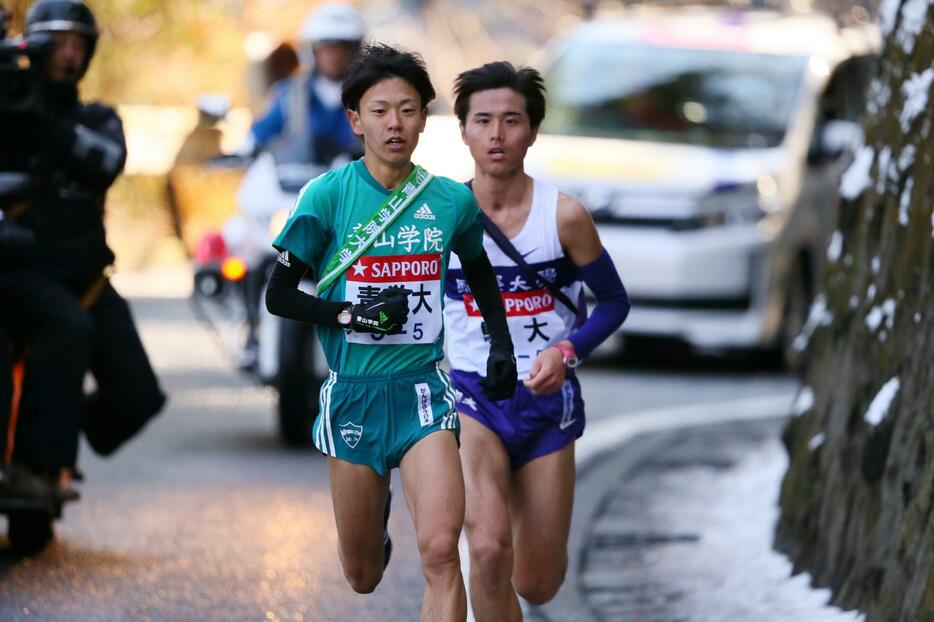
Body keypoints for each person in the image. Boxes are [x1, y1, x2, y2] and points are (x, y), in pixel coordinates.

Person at [265, 44, 516, 621]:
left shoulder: (451, 200)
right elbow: (280, 296)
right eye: (379, 111)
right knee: (361, 576)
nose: (394, 124)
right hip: (352, 393)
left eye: (407, 109)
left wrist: (500, 345)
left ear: (425, 118)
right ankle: (372, 529)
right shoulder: (326, 197)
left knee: (441, 555)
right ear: (355, 120)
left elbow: (479, 273)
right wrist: (348, 316)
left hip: (423, 392)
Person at [443, 62, 631, 620]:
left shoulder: (565, 216)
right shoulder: (439, 215)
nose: (496, 135)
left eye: (511, 120)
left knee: (539, 581)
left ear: (532, 130)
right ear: (463, 131)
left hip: (547, 403)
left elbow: (614, 302)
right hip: (473, 397)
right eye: (483, 121)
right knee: (488, 549)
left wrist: (566, 350)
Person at [0, 0, 165, 477]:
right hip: (27, 275)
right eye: (58, 45)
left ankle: (54, 425)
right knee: (65, 328)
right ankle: (36, 469)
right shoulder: (7, 115)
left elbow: (107, 162)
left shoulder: (95, 118)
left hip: (89, 279)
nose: (68, 56)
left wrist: (49, 123)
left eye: (78, 45)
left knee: (138, 396)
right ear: (34, 48)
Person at [238, 2, 365, 164]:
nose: (335, 56)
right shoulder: (290, 93)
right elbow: (262, 131)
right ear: (312, 50)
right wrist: (243, 149)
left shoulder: (368, 94)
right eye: (327, 47)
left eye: (343, 48)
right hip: (297, 186)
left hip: (354, 185)